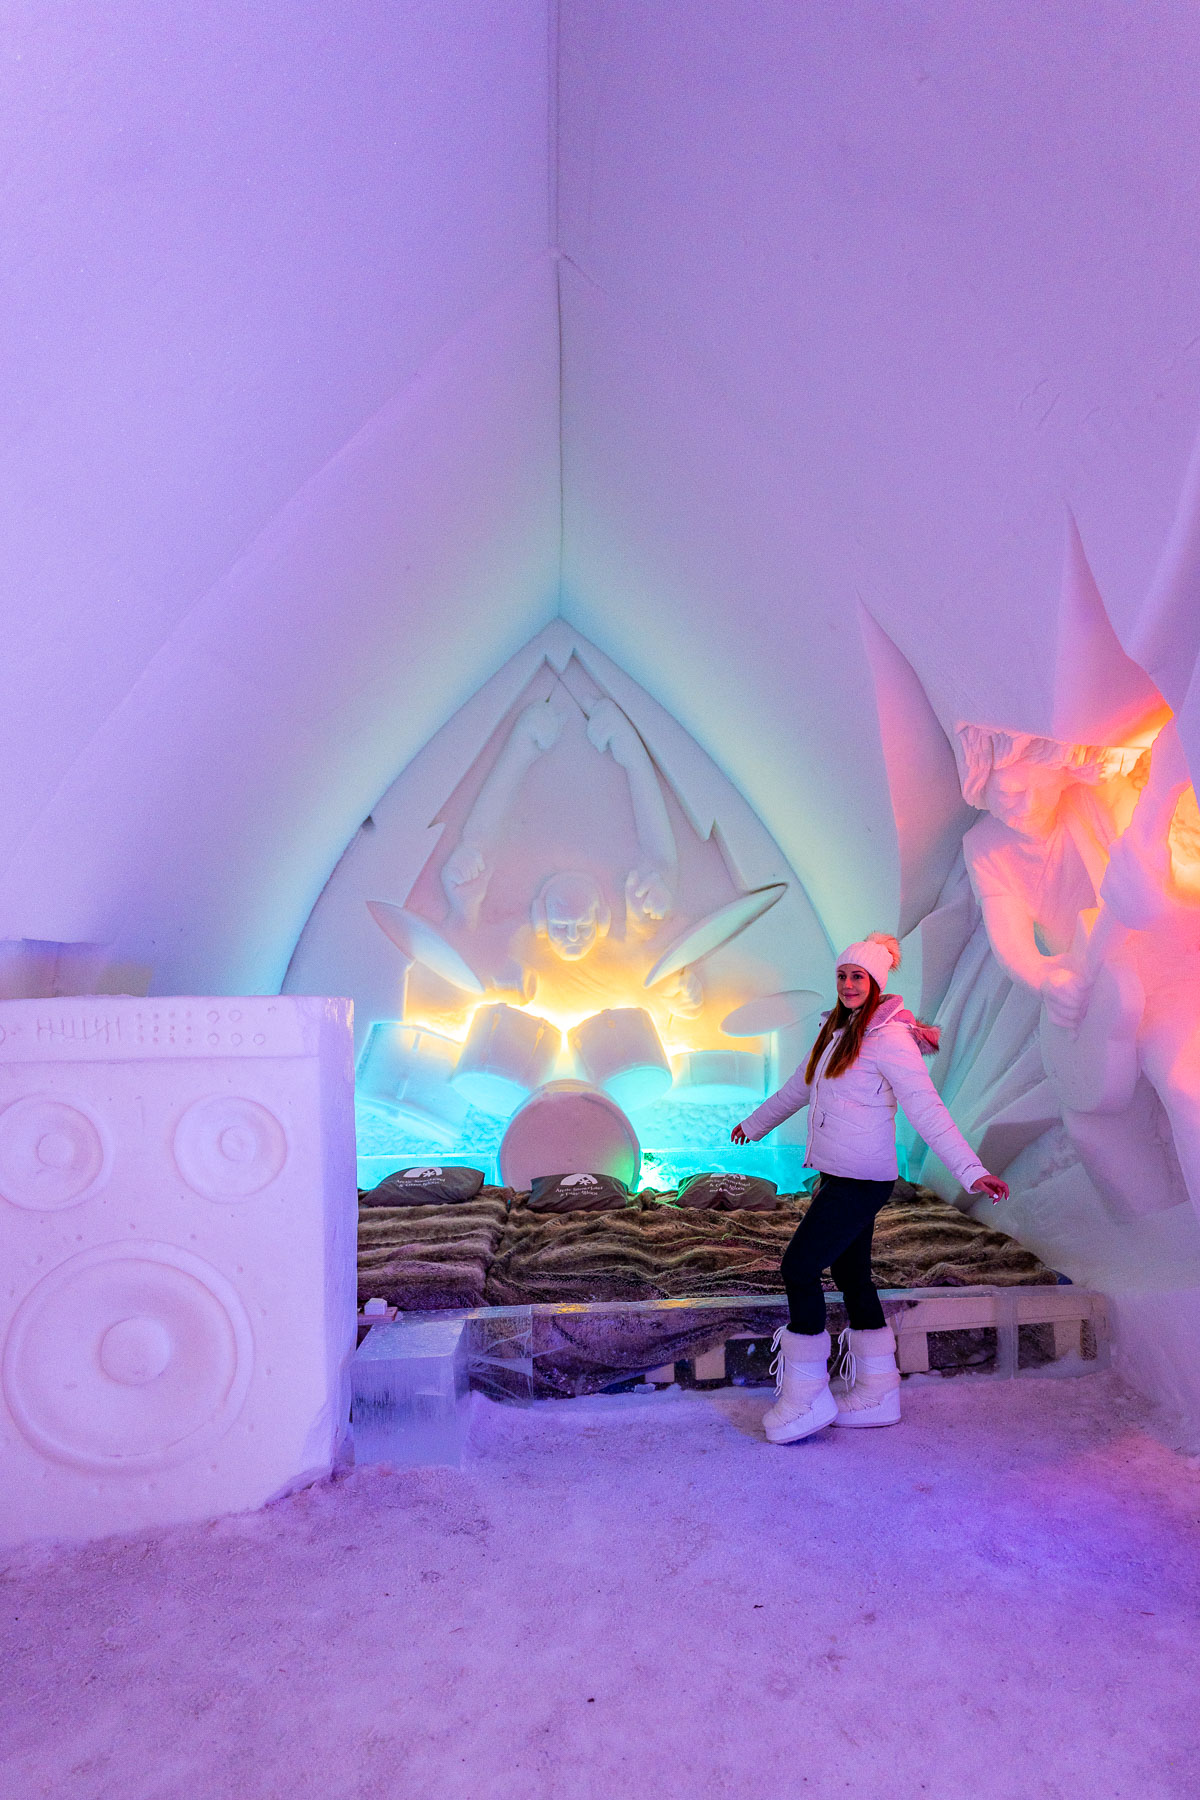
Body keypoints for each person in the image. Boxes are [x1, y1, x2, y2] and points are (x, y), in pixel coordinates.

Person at [730, 932, 1009, 1444]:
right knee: (851, 1272)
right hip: (838, 1174)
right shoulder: (835, 1030)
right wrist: (755, 1123)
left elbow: (929, 1111)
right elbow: (799, 1085)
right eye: (842, 975)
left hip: (864, 1180)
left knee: (800, 1266)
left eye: (858, 976)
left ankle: (807, 1395)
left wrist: (973, 1172)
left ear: (877, 982)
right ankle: (879, 1389)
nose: (848, 984)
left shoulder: (891, 1038)